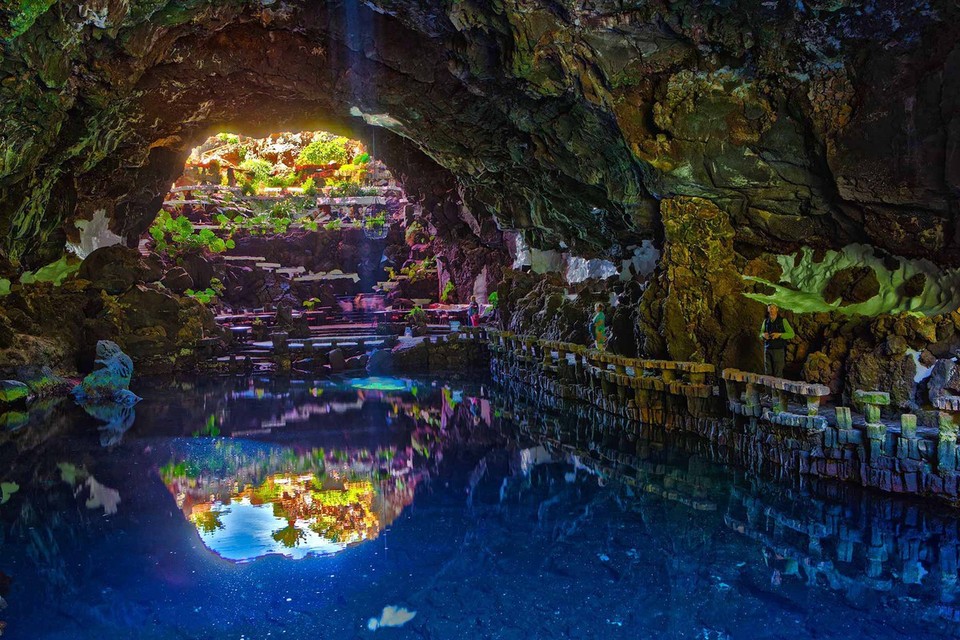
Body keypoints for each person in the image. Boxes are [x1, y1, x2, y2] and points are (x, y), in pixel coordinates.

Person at [759, 304, 794, 377]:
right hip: (767, 350)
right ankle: (768, 388)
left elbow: (791, 334)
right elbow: (760, 334)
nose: (771, 309)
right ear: (768, 309)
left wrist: (780, 335)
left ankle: (777, 389)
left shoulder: (783, 321)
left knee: (778, 373)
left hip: (778, 350)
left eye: (773, 307)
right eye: (770, 308)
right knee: (767, 373)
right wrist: (763, 335)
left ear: (777, 309)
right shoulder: (765, 321)